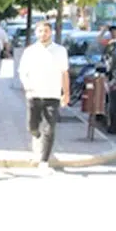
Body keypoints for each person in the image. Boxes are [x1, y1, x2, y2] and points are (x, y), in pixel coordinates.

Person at [18, 21, 71, 173]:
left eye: (46, 31)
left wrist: (66, 93)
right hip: (34, 94)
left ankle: (44, 160)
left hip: (52, 94)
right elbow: (22, 72)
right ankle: (37, 138)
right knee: (32, 126)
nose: (43, 34)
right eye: (40, 31)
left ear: (51, 32)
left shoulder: (60, 51)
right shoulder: (30, 51)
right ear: (36, 33)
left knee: (50, 127)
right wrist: (27, 86)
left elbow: (64, 73)